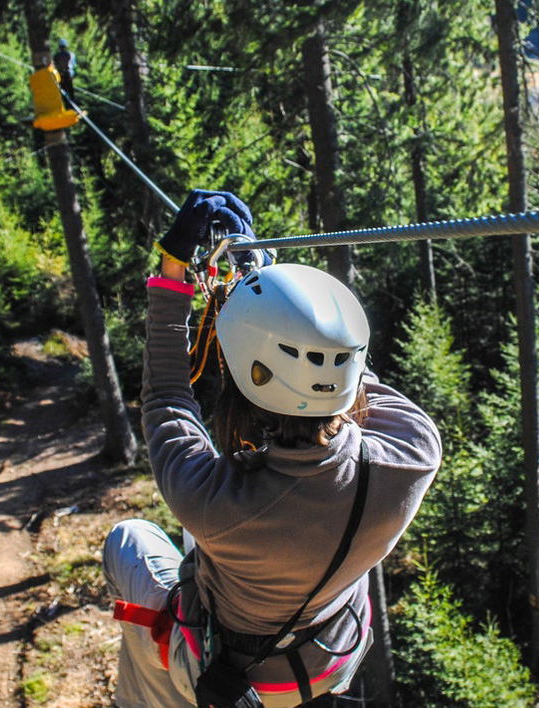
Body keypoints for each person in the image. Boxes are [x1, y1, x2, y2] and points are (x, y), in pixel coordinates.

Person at [102, 190, 441, 708]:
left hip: (239, 679)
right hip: (331, 655)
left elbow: (167, 396)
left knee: (128, 539)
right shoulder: (412, 453)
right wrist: (267, 283)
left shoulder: (212, 500)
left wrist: (174, 271)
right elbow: (350, 374)